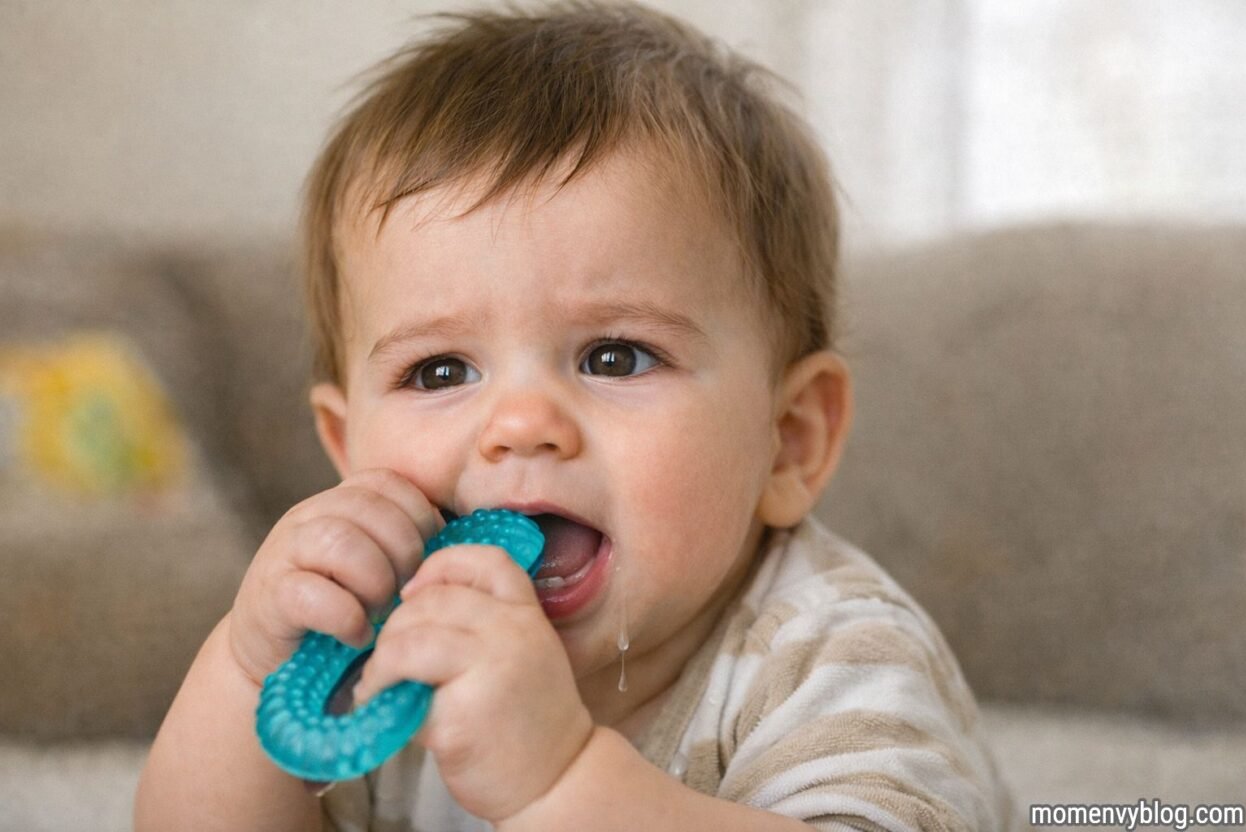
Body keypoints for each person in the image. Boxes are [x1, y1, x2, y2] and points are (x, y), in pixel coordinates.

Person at [135, 2, 1014, 829]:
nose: (520, 424)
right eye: (439, 370)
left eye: (615, 356)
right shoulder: (380, 647)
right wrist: (247, 670)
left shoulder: (830, 653)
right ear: (345, 445)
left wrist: (557, 782)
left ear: (788, 441)